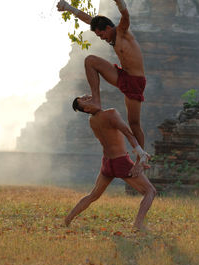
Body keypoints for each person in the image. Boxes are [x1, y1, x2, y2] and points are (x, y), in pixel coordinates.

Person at [57, 0, 147, 154]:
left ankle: (142, 157)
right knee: (90, 61)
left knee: (134, 124)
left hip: (135, 82)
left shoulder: (122, 32)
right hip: (122, 75)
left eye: (101, 34)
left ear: (108, 28)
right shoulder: (109, 33)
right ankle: (96, 100)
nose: (101, 38)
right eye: (98, 36)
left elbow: (125, 15)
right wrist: (68, 7)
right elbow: (88, 19)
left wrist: (119, 2)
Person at [65, 95, 156, 230]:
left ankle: (67, 220)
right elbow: (128, 133)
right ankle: (138, 224)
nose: (89, 96)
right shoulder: (111, 113)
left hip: (107, 162)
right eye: (85, 99)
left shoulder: (92, 120)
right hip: (120, 162)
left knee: (93, 195)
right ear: (87, 108)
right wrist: (141, 155)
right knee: (150, 191)